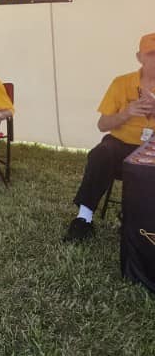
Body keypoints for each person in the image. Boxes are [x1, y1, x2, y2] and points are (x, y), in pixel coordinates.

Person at [64, 33, 155, 242]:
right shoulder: (122, 83)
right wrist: (126, 113)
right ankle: (83, 219)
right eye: (151, 54)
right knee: (100, 154)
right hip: (121, 143)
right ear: (139, 57)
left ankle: (139, 219)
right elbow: (101, 125)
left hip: (152, 147)